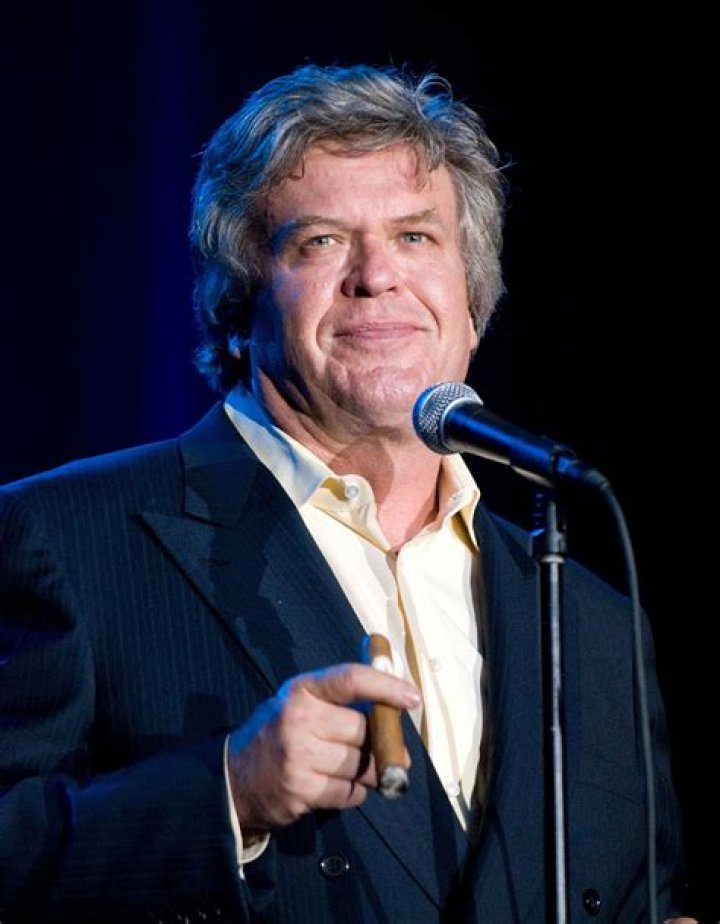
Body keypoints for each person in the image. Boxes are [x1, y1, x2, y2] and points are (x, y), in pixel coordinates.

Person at [0, 62, 697, 923]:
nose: (376, 276)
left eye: (416, 237)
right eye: (321, 241)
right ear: (238, 303)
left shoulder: (590, 619)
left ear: (473, 303)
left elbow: (640, 891)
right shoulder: (62, 538)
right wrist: (229, 794)